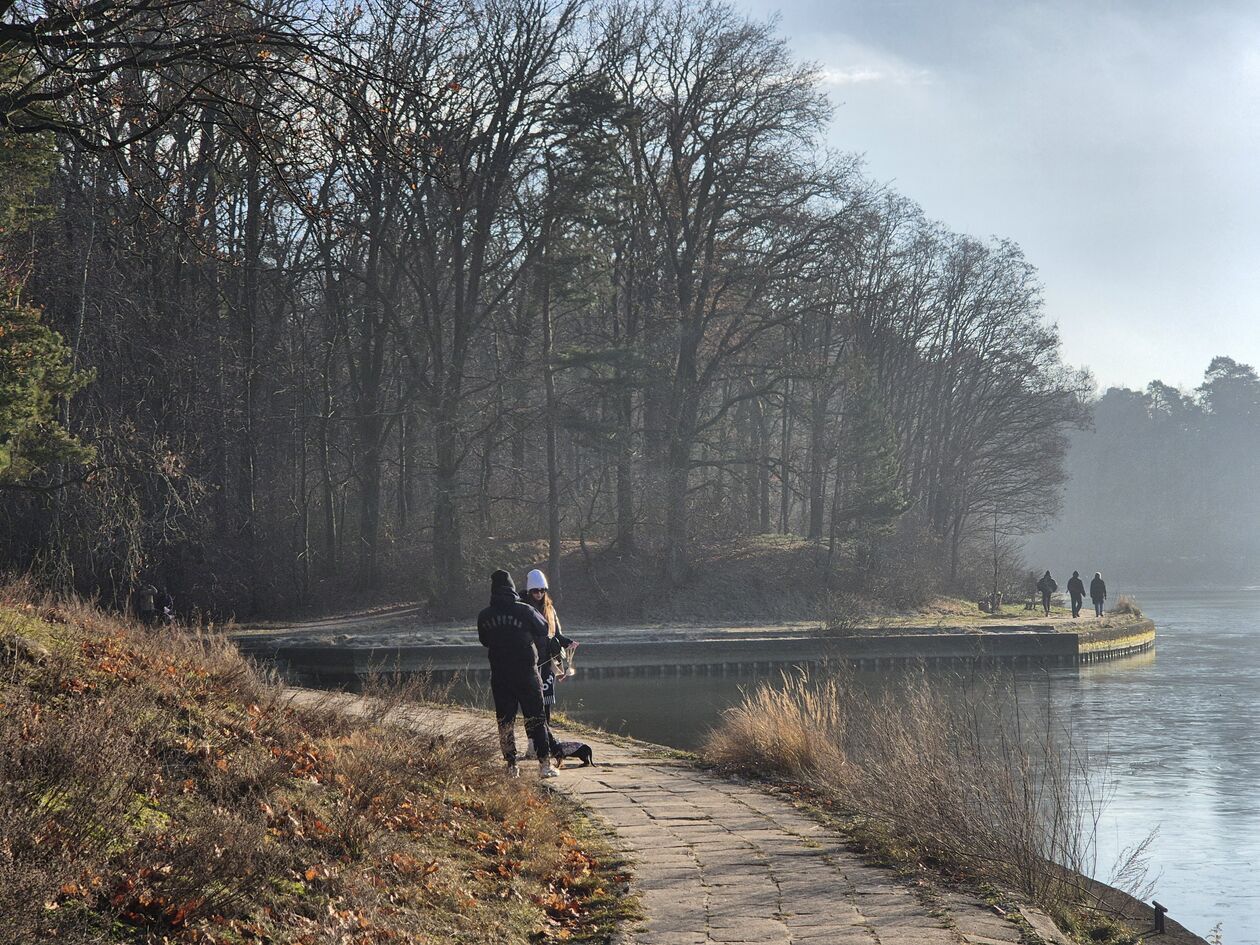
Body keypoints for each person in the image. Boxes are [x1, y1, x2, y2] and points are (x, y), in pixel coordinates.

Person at [477, 569, 557, 779]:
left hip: (500, 675)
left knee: (505, 721)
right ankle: (544, 765)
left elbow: (484, 640)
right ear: (513, 588)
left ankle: (511, 766)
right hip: (527, 673)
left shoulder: (485, 615)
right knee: (536, 718)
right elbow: (543, 629)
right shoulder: (524, 610)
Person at [520, 569, 574, 761]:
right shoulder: (523, 609)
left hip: (548, 663)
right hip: (528, 663)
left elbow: (557, 634)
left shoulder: (550, 609)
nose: (539, 594)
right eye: (535, 591)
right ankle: (532, 744)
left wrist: (568, 643)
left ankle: (546, 742)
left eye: (542, 590)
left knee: (546, 705)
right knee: (530, 705)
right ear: (529, 591)